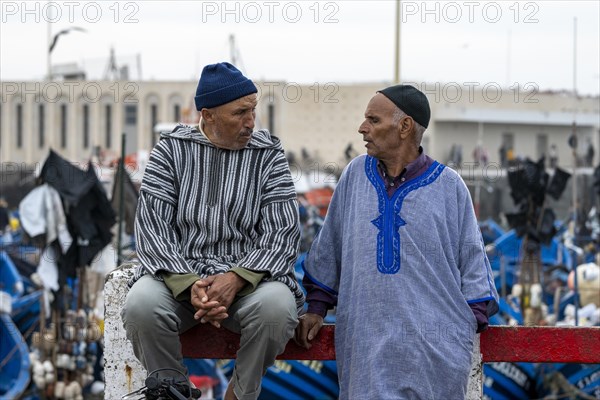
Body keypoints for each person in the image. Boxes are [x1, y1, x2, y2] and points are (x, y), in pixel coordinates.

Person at [295, 85, 499, 399]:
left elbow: (474, 268)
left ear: (404, 127)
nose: (362, 129)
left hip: (433, 357)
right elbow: (329, 249)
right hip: (364, 347)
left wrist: (458, 334)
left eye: (373, 120)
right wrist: (316, 309)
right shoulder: (353, 176)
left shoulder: (450, 186)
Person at [122, 62, 303, 400]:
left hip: (248, 282)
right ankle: (173, 389)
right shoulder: (171, 151)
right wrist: (189, 285)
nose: (251, 121)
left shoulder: (268, 155)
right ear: (207, 115)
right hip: (178, 279)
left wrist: (235, 279)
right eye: (240, 112)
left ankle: (239, 392)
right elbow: (152, 228)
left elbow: (282, 232)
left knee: (278, 309)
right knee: (141, 305)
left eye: (253, 110)